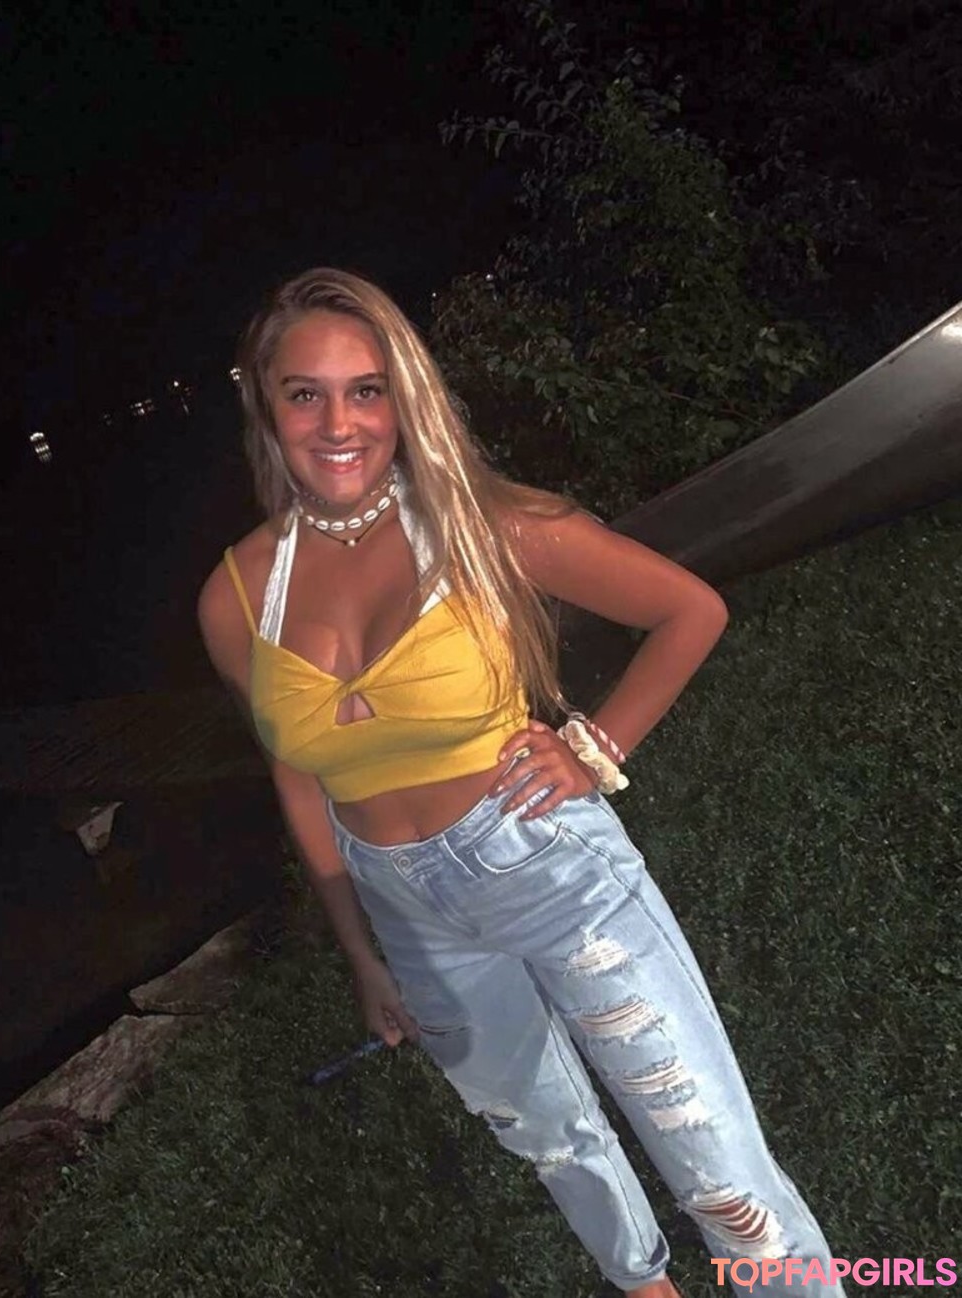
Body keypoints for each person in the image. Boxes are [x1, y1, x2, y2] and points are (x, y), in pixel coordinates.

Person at [197, 267, 844, 1297]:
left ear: (403, 399)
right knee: (554, 1141)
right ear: (264, 403)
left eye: (367, 390)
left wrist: (594, 746)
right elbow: (296, 771)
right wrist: (361, 949)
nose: (339, 423)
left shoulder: (481, 523)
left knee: (716, 1163)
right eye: (305, 392)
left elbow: (689, 610)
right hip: (406, 909)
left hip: (544, 862)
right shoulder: (234, 597)